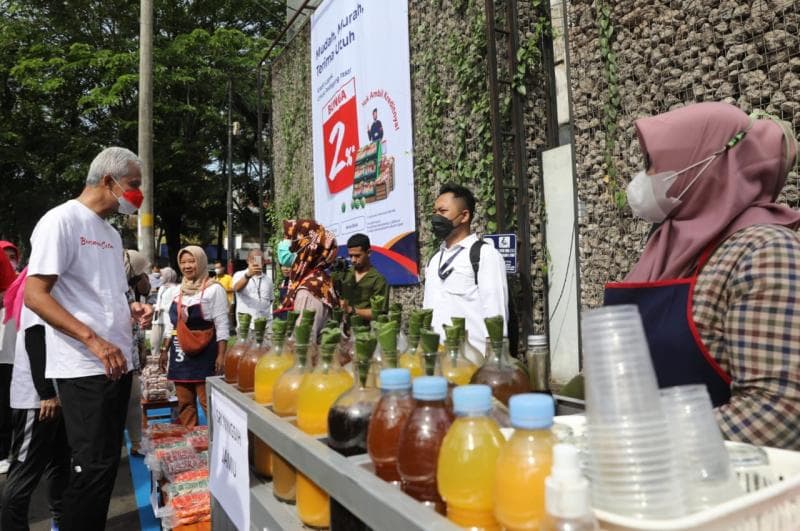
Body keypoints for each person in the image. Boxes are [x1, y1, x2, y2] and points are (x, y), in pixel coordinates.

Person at [606, 102, 800, 450]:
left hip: (725, 488)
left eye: (653, 164)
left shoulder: (764, 251)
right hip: (652, 479)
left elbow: (778, 414)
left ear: (709, 164)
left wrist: (648, 440)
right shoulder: (670, 247)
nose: (643, 178)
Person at [23, 146, 153, 530]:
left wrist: (129, 311)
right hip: (83, 366)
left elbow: (99, 295)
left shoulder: (111, 235)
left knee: (105, 468)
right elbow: (35, 295)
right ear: (109, 181)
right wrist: (93, 340)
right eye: (133, 185)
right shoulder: (61, 221)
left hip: (117, 364)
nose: (137, 195)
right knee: (91, 467)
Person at [1, 278, 70, 531]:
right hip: (36, 400)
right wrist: (45, 393)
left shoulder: (55, 285)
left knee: (60, 464)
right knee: (24, 472)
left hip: (56, 395)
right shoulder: (38, 287)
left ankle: (62, 522)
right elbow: (35, 339)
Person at [423, 183, 509, 364]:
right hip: (438, 362)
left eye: (442, 211)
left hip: (472, 362)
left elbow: (496, 314)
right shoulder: (434, 259)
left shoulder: (485, 255)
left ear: (464, 216)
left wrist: (494, 364)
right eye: (434, 211)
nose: (436, 217)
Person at [159, 246, 228, 427]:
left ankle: (214, 444)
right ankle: (192, 443)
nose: (187, 266)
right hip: (180, 353)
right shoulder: (173, 292)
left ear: (201, 262)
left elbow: (222, 324)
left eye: (191, 261)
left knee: (208, 403)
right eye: (183, 262)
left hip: (206, 353)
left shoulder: (214, 290)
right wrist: (164, 350)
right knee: (185, 403)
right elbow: (169, 325)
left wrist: (221, 355)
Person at [279, 219, 339, 339]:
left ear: (306, 249)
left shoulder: (308, 292)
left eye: (289, 240)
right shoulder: (319, 279)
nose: (283, 245)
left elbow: (304, 344)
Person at [124, 249, 151, 456]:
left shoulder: (131, 291)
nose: (142, 275)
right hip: (117, 356)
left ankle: (136, 442)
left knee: (133, 401)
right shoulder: (118, 290)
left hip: (131, 355)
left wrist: (141, 348)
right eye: (139, 271)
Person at [340, 233, 389, 322]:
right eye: (351, 256)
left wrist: (352, 310)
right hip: (343, 328)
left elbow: (379, 313)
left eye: (357, 256)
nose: (353, 260)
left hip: (364, 332)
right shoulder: (345, 274)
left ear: (369, 253)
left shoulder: (378, 280)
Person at [0, 243, 18, 474]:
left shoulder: (18, 287)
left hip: (9, 353)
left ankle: (4, 451)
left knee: (5, 402)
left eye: (12, 257)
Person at [232, 249, 273, 329]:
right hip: (246, 325)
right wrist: (248, 275)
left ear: (264, 262)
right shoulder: (239, 275)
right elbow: (236, 288)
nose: (256, 262)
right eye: (253, 259)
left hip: (266, 324)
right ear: (247, 261)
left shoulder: (268, 279)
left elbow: (270, 300)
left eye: (259, 260)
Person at [150, 266, 178, 356]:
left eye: (162, 275)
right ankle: (154, 356)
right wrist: (156, 306)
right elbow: (159, 301)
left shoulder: (175, 289)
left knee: (166, 339)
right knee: (154, 341)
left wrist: (162, 307)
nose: (161, 277)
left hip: (167, 318)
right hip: (158, 318)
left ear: (168, 276)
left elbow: (173, 305)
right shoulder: (162, 287)